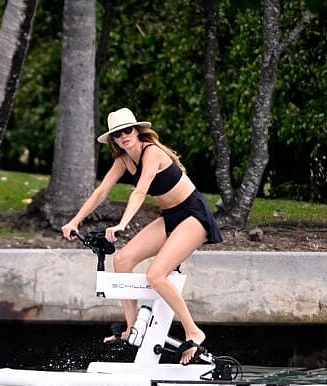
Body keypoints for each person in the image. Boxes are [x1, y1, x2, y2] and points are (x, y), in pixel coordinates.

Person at [61, 108, 222, 364]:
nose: (124, 136)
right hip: (170, 216)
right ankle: (132, 328)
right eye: (117, 134)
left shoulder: (152, 152)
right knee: (122, 260)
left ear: (137, 131)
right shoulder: (124, 160)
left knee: (155, 275)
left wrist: (122, 224)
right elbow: (101, 192)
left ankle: (194, 331)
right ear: (113, 140)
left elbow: (140, 192)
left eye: (128, 130)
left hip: (193, 215)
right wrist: (74, 221)